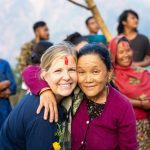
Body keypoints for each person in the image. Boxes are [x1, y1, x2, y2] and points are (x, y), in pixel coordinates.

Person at [23, 44, 137, 149]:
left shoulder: (122, 106)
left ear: (109, 73)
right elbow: (30, 71)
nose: (88, 80)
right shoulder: (73, 89)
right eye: (81, 72)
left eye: (95, 72)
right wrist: (45, 90)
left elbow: (128, 147)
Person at [0, 43, 77, 150]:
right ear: (44, 75)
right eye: (58, 71)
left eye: (72, 70)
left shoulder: (52, 97)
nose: (66, 77)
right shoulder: (44, 112)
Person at [109, 35, 150, 149]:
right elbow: (113, 97)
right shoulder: (110, 76)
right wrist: (141, 104)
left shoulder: (142, 72)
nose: (126, 55)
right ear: (113, 54)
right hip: (120, 127)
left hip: (144, 127)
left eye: (128, 50)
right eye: (121, 52)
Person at [0, 59, 16, 128]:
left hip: (4, 108)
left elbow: (13, 87)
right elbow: (7, 83)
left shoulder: (4, 64)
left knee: (5, 132)